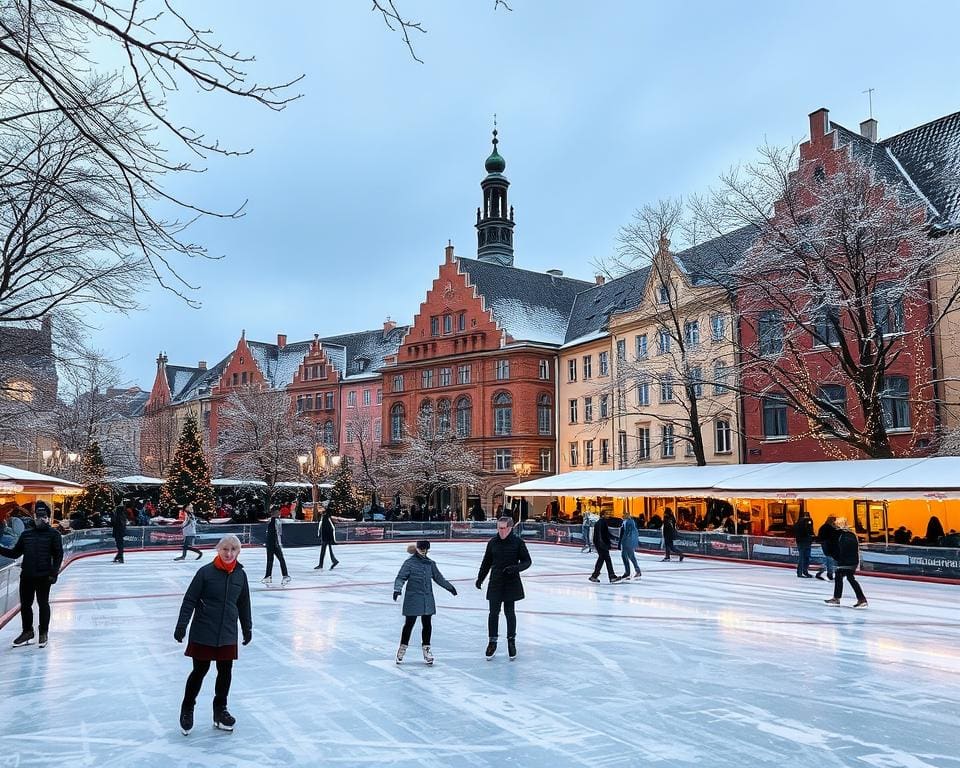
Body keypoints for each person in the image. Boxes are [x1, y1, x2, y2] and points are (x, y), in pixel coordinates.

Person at [174, 534, 252, 734]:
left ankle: (220, 711)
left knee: (225, 672)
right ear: (218, 550)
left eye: (233, 549)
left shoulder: (240, 575)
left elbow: (244, 604)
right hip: (203, 631)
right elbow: (190, 600)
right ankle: (187, 709)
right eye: (225, 549)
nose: (229, 553)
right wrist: (182, 626)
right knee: (199, 672)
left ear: (238, 552)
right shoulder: (205, 573)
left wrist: (247, 627)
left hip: (227, 632)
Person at [0, 508, 63, 648]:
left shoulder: (54, 534)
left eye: (44, 517)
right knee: (26, 605)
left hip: (44, 576)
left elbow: (58, 555)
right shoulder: (26, 534)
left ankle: (43, 633)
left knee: (43, 603)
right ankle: (27, 632)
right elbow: (16, 553)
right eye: (39, 516)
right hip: (27, 575)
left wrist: (54, 573)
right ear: (35, 517)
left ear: (48, 518)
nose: (42, 519)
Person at [392, 540, 457, 665]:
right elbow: (401, 577)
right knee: (409, 624)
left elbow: (438, 578)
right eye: (421, 548)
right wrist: (397, 589)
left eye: (425, 549)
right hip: (413, 598)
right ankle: (402, 649)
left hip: (427, 598)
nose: (423, 551)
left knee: (427, 624)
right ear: (417, 548)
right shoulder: (409, 563)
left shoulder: (430, 564)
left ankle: (427, 650)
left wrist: (449, 587)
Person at [476, 517, 532, 660]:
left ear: (510, 528)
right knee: (493, 613)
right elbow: (486, 562)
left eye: (503, 528)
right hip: (495, 581)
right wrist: (480, 578)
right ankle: (492, 642)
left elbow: (527, 561)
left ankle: (511, 641)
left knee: (509, 612)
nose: (500, 531)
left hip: (511, 581)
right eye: (498, 528)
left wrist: (515, 568)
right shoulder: (493, 543)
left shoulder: (518, 542)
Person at [824, 517, 867, 608]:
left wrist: (838, 558)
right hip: (852, 560)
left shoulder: (844, 535)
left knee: (841, 576)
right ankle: (861, 599)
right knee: (848, 578)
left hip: (846, 561)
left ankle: (837, 598)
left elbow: (842, 549)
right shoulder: (851, 534)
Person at [588, 510, 621, 583]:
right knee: (607, 559)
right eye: (606, 514)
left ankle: (594, 576)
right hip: (602, 545)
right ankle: (611, 576)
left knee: (601, 559)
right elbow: (600, 535)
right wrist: (604, 545)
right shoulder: (601, 523)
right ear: (602, 515)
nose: (608, 515)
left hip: (600, 544)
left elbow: (604, 534)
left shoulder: (601, 522)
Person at [261, 509, 290, 586]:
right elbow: (278, 533)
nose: (279, 513)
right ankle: (269, 576)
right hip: (271, 543)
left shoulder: (275, 521)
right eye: (278, 512)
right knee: (272, 560)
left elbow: (278, 533)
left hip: (273, 543)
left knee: (278, 559)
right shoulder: (272, 521)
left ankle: (284, 575)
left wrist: (278, 543)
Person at [619, 511, 642, 580]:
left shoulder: (630, 522)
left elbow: (629, 532)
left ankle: (636, 571)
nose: (622, 516)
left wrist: (626, 541)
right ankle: (628, 572)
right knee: (625, 556)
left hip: (628, 542)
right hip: (625, 541)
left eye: (624, 515)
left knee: (631, 556)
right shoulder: (625, 522)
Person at [315, 505, 339, 570]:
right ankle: (333, 561)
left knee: (324, 550)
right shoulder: (323, 516)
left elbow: (331, 527)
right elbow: (321, 526)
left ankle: (321, 564)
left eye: (320, 508)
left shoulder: (326, 516)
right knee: (326, 550)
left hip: (326, 536)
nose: (319, 510)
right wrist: (319, 533)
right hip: (325, 536)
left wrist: (328, 536)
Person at [814, 516, 838, 581]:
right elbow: (834, 536)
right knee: (829, 560)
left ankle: (821, 572)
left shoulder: (823, 527)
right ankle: (829, 574)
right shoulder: (830, 528)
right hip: (829, 546)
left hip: (826, 545)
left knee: (828, 560)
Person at [794, 511, 814, 578]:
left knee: (802, 557)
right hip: (806, 541)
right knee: (806, 557)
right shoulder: (808, 522)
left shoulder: (798, 523)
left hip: (801, 542)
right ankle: (804, 571)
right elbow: (810, 531)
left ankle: (800, 572)